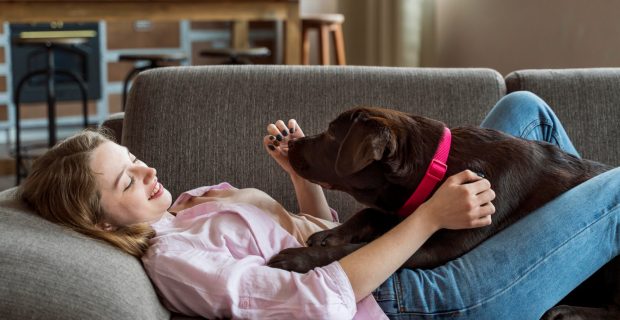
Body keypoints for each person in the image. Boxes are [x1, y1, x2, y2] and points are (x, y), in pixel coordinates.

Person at [19, 91, 619, 320]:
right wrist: (430, 218)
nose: (149, 169)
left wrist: (300, 177)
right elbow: (313, 298)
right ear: (98, 222)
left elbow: (323, 238)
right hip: (424, 297)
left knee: (524, 108)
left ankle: (589, 271)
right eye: (128, 180)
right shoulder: (174, 256)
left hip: (389, 254)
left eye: (134, 158)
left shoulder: (192, 204)